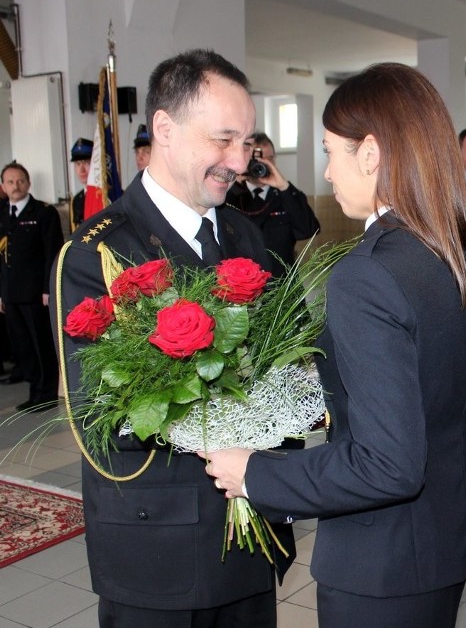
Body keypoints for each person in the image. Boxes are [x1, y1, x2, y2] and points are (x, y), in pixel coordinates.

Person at [202, 63, 466, 628]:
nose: (328, 171)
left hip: (380, 563)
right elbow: (430, 383)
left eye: (331, 151)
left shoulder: (369, 274)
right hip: (441, 538)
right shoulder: (463, 256)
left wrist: (254, 474)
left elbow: (387, 464)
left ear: (370, 153)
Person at [52, 49, 286, 627]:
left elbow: (276, 359)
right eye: (224, 139)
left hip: (253, 531)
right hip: (158, 546)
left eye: (248, 141)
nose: (239, 160)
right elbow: (102, 419)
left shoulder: (244, 235)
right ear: (164, 128)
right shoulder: (98, 253)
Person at [0, 162, 63, 412]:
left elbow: (52, 253)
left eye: (20, 181)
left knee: (41, 345)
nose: (16, 186)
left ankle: (46, 393)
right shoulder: (3, 213)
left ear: (28, 183)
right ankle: (33, 390)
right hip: (11, 293)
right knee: (23, 346)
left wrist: (49, 288)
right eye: (10, 182)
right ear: (3, 186)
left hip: (36, 293)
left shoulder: (43, 213)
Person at [225, 131, 320, 276]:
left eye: (268, 159)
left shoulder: (287, 195)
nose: (261, 164)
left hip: (284, 287)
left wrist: (284, 187)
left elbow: (309, 230)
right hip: (245, 290)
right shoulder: (231, 197)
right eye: (255, 159)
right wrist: (234, 183)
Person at [68, 137, 93, 233]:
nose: (81, 170)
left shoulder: (109, 196)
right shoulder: (76, 200)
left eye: (86, 162)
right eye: (78, 164)